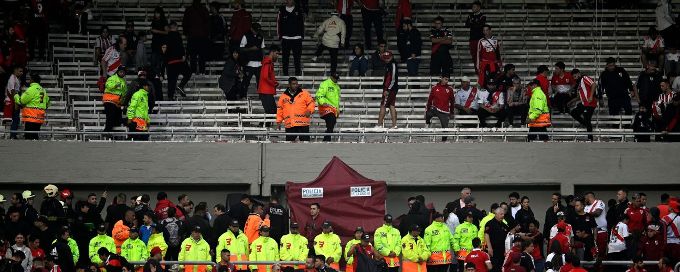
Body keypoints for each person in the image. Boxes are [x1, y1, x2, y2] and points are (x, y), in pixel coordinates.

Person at [276, 77, 315, 141]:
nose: (296, 85)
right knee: (289, 146)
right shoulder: (283, 96)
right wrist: (279, 121)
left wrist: (309, 110)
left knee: (306, 145)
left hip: (303, 123)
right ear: (289, 85)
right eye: (293, 84)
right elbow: (280, 109)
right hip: (290, 124)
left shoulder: (304, 93)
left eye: (296, 84)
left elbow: (311, 103)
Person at [12, 73, 49, 140]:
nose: (29, 81)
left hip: (31, 117)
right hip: (39, 118)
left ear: (32, 80)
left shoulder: (31, 89)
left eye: (30, 79)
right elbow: (48, 103)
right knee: (35, 136)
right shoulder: (43, 90)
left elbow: (22, 101)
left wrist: (16, 96)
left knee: (29, 137)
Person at [566, 69, 598, 141]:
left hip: (590, 103)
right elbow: (579, 97)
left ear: (579, 74)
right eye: (573, 77)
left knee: (587, 118)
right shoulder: (579, 84)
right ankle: (586, 125)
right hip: (584, 103)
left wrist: (591, 96)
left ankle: (590, 138)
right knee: (574, 112)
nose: (575, 78)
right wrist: (571, 101)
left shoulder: (584, 78)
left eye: (575, 76)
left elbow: (594, 84)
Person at [164, 22, 191, 100]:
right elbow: (180, 47)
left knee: (171, 81)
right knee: (188, 73)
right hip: (179, 61)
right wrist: (183, 56)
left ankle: (170, 97)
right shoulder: (177, 35)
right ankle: (181, 85)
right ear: (175, 27)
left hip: (170, 62)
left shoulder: (166, 37)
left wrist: (165, 62)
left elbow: (164, 50)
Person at [277, 0, 304, 76]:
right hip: (285, 39)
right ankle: (285, 75)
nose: (290, 1)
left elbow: (302, 23)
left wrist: (301, 35)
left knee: (297, 59)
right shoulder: (281, 10)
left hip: (297, 38)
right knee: (285, 59)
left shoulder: (298, 10)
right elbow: (278, 23)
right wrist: (280, 36)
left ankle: (298, 75)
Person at [182, 0, 210, 74]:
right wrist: (207, 34)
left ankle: (193, 71)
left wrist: (186, 33)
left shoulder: (189, 10)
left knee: (193, 56)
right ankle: (201, 71)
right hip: (201, 36)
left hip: (192, 36)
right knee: (201, 56)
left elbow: (185, 23)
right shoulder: (204, 9)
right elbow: (207, 23)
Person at [425, 73, 455, 141]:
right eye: (445, 79)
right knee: (428, 113)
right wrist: (428, 109)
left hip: (444, 111)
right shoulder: (434, 87)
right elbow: (430, 99)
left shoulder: (450, 89)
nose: (447, 81)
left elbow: (452, 102)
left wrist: (452, 112)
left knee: (445, 128)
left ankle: (443, 142)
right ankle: (427, 123)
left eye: (448, 80)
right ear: (441, 78)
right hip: (435, 109)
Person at [240, 23, 265, 98]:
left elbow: (262, 48)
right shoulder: (246, 36)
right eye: (255, 30)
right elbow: (241, 49)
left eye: (258, 30)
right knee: (246, 81)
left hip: (259, 63)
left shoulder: (260, 36)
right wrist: (251, 49)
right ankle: (243, 96)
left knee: (260, 82)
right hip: (249, 63)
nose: (257, 32)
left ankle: (261, 97)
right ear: (251, 29)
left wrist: (263, 59)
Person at [315, 73, 341, 142]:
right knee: (331, 120)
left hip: (333, 109)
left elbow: (337, 101)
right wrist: (323, 102)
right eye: (335, 78)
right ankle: (327, 138)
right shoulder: (325, 83)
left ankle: (326, 138)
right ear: (331, 77)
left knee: (332, 122)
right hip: (325, 107)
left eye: (337, 79)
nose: (336, 80)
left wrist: (338, 110)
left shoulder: (337, 87)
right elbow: (319, 94)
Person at [377, 51, 399, 128]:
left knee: (383, 105)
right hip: (391, 88)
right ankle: (394, 125)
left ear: (392, 57)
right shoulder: (389, 64)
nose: (386, 59)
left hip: (390, 89)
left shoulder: (392, 65)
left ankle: (379, 125)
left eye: (388, 58)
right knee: (391, 105)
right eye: (385, 58)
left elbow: (393, 79)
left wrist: (388, 89)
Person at [476, 24, 501, 89]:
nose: (485, 32)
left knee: (494, 80)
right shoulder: (481, 41)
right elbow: (478, 53)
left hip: (494, 64)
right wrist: (478, 65)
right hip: (485, 64)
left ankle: (494, 93)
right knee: (485, 80)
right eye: (484, 30)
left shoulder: (496, 40)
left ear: (490, 31)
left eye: (487, 30)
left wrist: (500, 63)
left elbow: (498, 53)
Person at [258, 45, 281, 114]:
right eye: (277, 53)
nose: (277, 56)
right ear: (272, 52)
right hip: (265, 92)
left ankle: (262, 125)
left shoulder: (268, 62)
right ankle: (262, 125)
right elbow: (265, 77)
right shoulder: (267, 63)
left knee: (271, 111)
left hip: (266, 91)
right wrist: (275, 84)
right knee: (271, 111)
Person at [484, 207, 508, 272]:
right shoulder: (490, 223)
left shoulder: (504, 225)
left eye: (503, 214)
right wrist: (489, 247)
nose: (503, 216)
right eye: (501, 214)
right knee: (494, 268)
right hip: (493, 251)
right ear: (496, 214)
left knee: (501, 268)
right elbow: (486, 234)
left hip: (502, 251)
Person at [465, 1, 486, 71]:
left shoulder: (482, 16)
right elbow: (466, 25)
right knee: (474, 55)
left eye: (474, 7)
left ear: (479, 7)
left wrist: (472, 23)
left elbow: (480, 26)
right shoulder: (470, 15)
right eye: (472, 7)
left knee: (480, 55)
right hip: (472, 39)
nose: (472, 8)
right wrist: (475, 23)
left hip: (480, 39)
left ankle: (482, 70)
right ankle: (477, 70)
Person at [6, 66, 23, 140]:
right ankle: (12, 135)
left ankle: (14, 134)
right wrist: (16, 102)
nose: (21, 73)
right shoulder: (12, 78)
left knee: (16, 118)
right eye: (20, 71)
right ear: (15, 70)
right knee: (15, 118)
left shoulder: (16, 78)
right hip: (13, 100)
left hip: (16, 99)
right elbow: (12, 91)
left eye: (22, 71)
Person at [150, 7, 169, 76]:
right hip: (155, 42)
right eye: (155, 13)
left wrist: (157, 31)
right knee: (154, 60)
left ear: (161, 14)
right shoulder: (154, 21)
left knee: (161, 60)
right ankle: (155, 75)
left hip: (162, 43)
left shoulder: (163, 21)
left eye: (157, 13)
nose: (156, 14)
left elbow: (167, 32)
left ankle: (161, 74)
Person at [661, 200, 680, 264]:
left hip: (668, 244)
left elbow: (661, 231)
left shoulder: (665, 218)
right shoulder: (679, 218)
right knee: (677, 264)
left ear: (671, 208)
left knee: (668, 264)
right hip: (678, 244)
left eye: (669, 206)